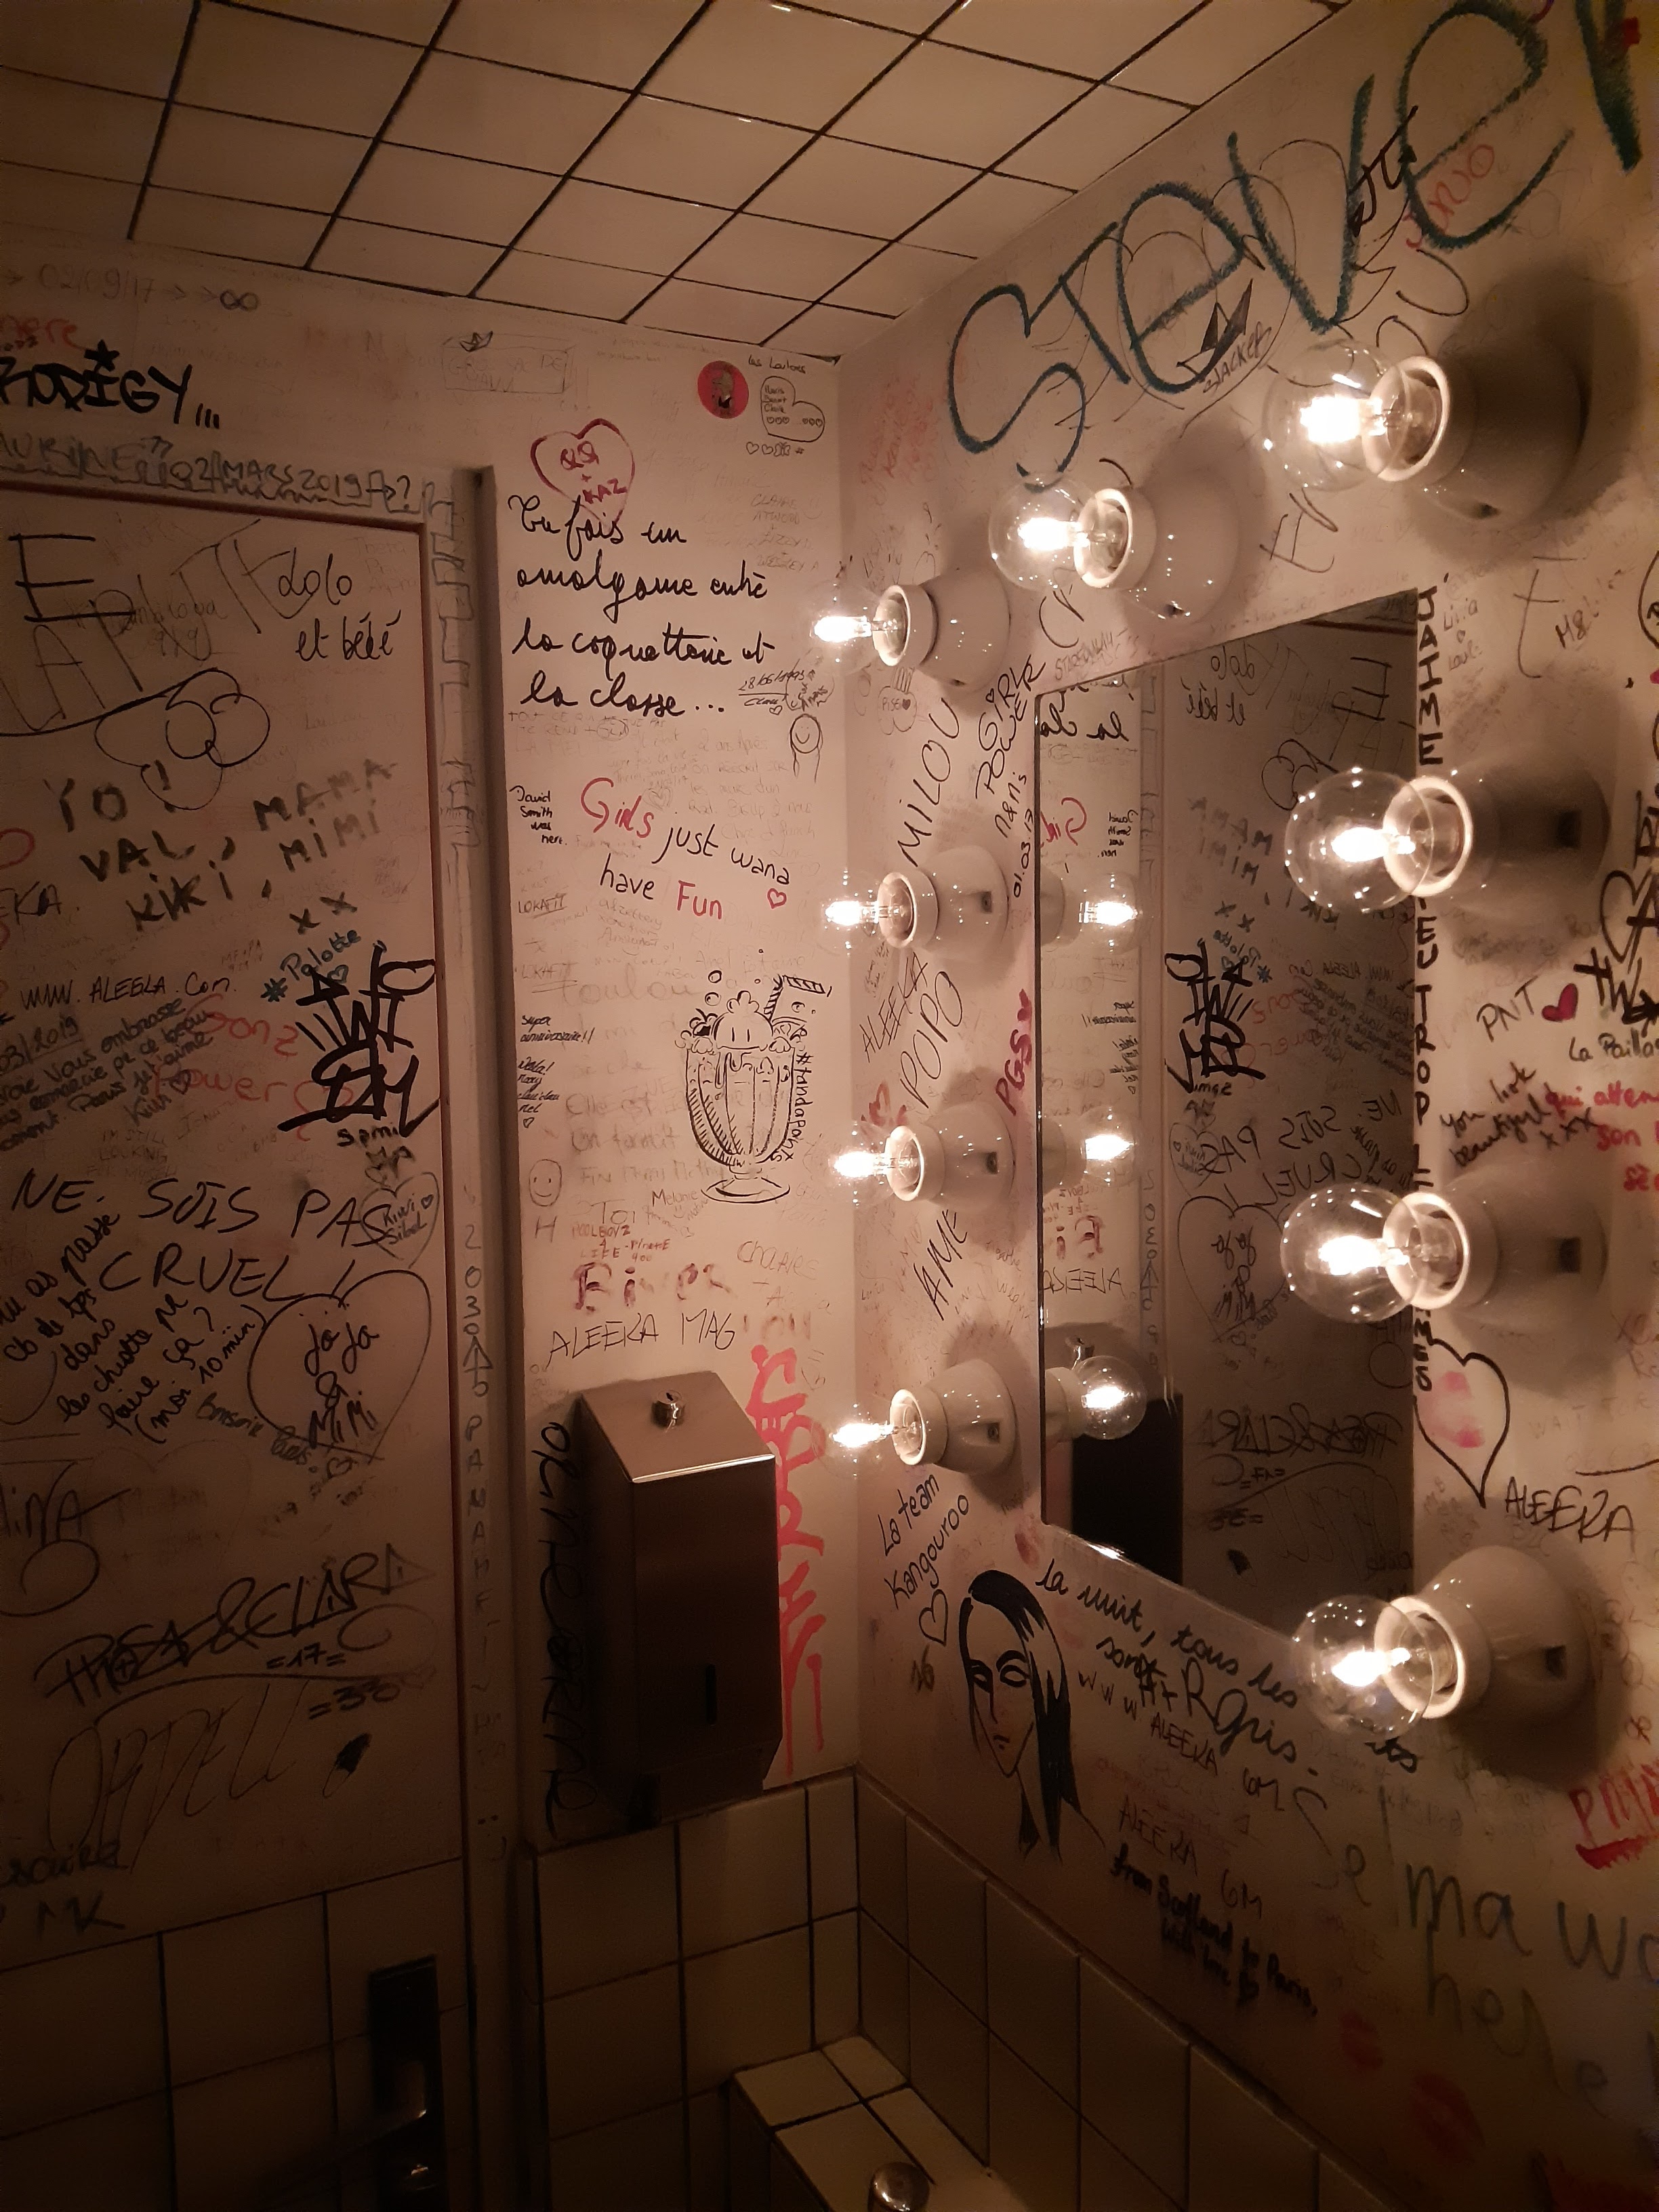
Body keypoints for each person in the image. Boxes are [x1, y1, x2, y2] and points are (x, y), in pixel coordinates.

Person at [958, 1569, 1081, 1856]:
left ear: (1046, 1677)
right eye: (980, 1679)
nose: (994, 1710)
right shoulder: (1011, 1835)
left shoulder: (1077, 1848)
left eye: (1013, 1676)